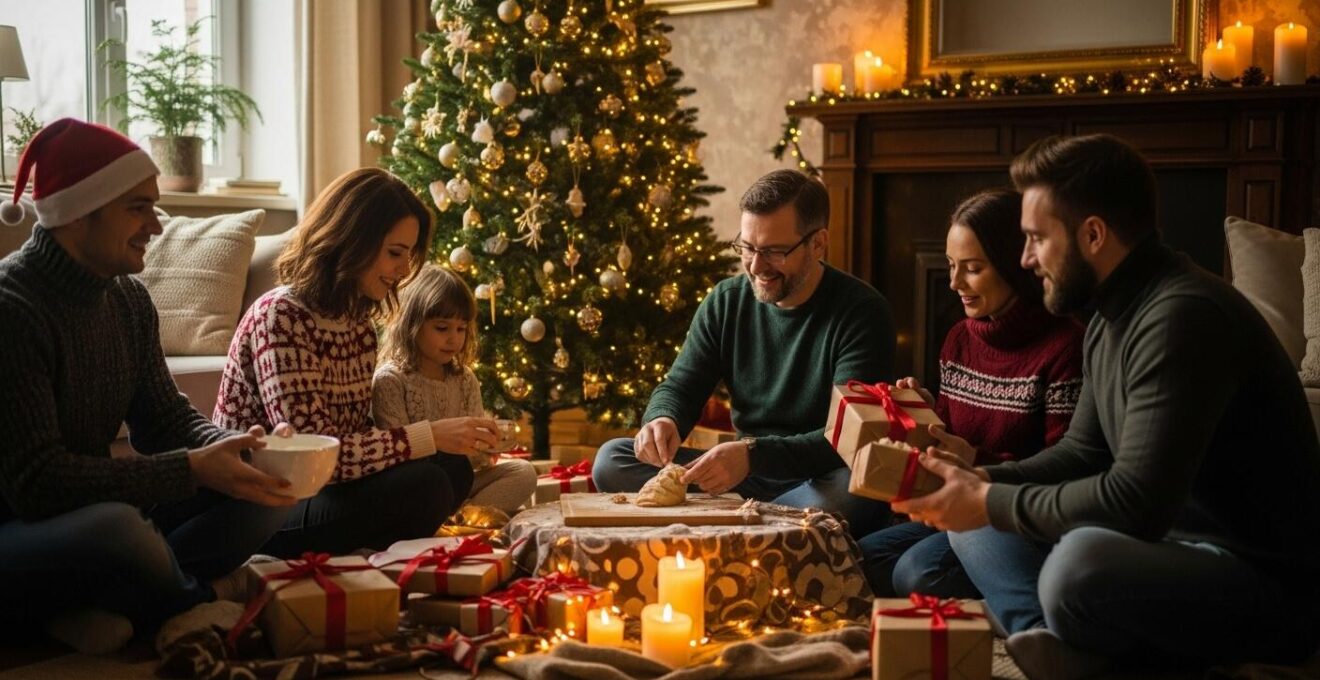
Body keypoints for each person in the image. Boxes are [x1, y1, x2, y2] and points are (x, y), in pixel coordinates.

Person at [893, 134, 1320, 678]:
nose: (1025, 259)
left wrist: (993, 500)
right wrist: (978, 484)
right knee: (976, 525)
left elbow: (1135, 502)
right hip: (1158, 553)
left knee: (1076, 565)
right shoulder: (1109, 317)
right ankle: (1054, 639)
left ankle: (1083, 652)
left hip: (1256, 580)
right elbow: (1081, 452)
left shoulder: (1182, 316)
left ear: (1092, 234)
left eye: (1036, 239)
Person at [0, 118, 295, 654]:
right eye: (137, 207)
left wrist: (231, 451)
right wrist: (188, 470)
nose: (155, 226)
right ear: (76, 212)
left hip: (87, 515)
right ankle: (195, 598)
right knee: (118, 531)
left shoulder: (130, 301)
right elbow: (36, 485)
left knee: (268, 490)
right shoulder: (12, 309)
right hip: (21, 529)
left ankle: (103, 608)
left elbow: (164, 419)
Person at [592, 169, 896, 538]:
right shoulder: (726, 300)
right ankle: (769, 522)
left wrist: (752, 454)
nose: (755, 266)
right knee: (612, 459)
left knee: (854, 488)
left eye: (773, 251)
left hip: (816, 476)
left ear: (818, 244)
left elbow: (844, 440)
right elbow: (681, 386)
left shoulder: (862, 311)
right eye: (747, 248)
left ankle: (738, 516)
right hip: (742, 477)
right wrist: (664, 419)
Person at [215, 168, 496, 556]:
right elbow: (315, 458)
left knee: (451, 470)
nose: (403, 270)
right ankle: (368, 551)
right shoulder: (281, 317)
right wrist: (427, 435)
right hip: (264, 505)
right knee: (426, 485)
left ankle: (374, 549)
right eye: (395, 253)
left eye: (409, 256)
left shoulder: (358, 326)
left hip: (329, 490)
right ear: (352, 240)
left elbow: (356, 434)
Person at [856, 189, 1082, 597]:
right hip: (961, 504)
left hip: (1018, 517)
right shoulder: (959, 338)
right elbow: (951, 435)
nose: (955, 283)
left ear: (1018, 264)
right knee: (861, 558)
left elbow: (1063, 470)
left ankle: (1029, 602)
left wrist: (977, 461)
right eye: (950, 266)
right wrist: (922, 417)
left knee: (916, 574)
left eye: (973, 268)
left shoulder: (1065, 346)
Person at [373, 264, 537, 514]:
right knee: (428, 482)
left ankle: (459, 519)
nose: (454, 339)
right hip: (417, 489)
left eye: (461, 328)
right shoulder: (391, 380)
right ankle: (465, 517)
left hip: (460, 485)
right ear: (410, 325)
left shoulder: (464, 378)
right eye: (442, 328)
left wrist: (488, 445)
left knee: (523, 472)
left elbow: (474, 462)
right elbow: (395, 459)